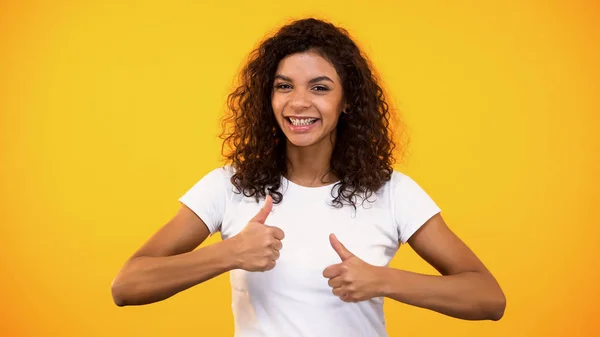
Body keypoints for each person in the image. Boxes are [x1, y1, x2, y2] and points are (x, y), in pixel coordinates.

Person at [111, 18, 506, 336]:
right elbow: (127, 286)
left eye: (319, 87)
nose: (299, 102)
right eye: (284, 86)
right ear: (269, 98)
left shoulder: (392, 192)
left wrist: (383, 280)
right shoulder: (229, 186)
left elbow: (488, 298)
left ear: (347, 100)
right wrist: (227, 254)